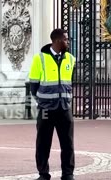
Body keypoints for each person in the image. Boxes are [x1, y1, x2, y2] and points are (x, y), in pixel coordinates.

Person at [29, 29, 75, 180]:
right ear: (57, 41)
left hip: (64, 108)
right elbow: (33, 86)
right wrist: (43, 102)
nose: (68, 42)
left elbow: (69, 83)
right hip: (46, 109)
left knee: (67, 143)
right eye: (66, 39)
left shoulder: (70, 59)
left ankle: (67, 174)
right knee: (43, 143)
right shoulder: (39, 59)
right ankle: (43, 174)